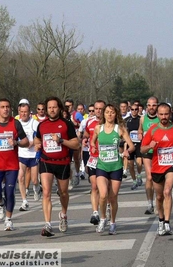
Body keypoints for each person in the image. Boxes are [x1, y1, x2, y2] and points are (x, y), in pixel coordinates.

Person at [34, 96, 79, 237]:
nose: (52, 110)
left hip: (63, 162)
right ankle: (47, 224)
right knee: (46, 192)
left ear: (59, 108)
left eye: (54, 107)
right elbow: (37, 138)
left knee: (63, 193)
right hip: (46, 161)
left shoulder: (66, 124)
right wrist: (37, 143)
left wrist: (61, 140)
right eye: (49, 107)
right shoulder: (42, 125)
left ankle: (63, 214)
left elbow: (76, 144)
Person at [141, 103, 173, 235]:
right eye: (161, 114)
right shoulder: (153, 130)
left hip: (172, 164)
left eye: (166, 114)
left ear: (170, 113)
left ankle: (167, 222)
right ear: (158, 115)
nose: (164, 117)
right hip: (157, 166)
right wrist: (150, 146)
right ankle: (161, 219)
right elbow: (142, 148)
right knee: (160, 196)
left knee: (167, 191)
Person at [90, 104, 135, 235]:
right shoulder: (98, 128)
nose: (109, 115)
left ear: (116, 115)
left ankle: (113, 223)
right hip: (102, 166)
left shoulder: (119, 129)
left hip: (116, 166)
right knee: (103, 194)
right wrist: (93, 146)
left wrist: (127, 151)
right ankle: (103, 218)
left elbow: (132, 146)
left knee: (113, 197)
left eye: (112, 112)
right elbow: (92, 141)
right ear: (103, 114)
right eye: (107, 112)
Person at [0, 98, 29, 231]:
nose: (5, 109)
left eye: (7, 107)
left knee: (10, 192)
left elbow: (26, 142)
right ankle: (0, 203)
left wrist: (16, 143)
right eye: (2, 107)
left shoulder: (15, 123)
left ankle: (8, 219)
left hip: (12, 165)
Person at [83, 100, 106, 225]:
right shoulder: (90, 122)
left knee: (105, 188)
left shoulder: (110, 123)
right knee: (94, 186)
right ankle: (95, 212)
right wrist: (85, 139)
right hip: (93, 158)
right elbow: (86, 134)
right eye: (96, 108)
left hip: (107, 159)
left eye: (101, 109)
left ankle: (105, 207)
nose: (98, 111)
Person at [17, 101, 41, 211]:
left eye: (25, 112)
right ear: (19, 112)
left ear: (29, 112)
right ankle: (24, 201)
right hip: (21, 155)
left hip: (33, 155)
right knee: (20, 177)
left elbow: (40, 137)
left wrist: (33, 142)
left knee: (35, 180)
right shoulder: (17, 123)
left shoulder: (34, 123)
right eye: (21, 112)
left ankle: (36, 188)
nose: (23, 114)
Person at [138, 96, 159, 215]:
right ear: (147, 106)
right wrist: (140, 134)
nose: (151, 107)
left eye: (154, 105)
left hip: (159, 151)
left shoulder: (161, 117)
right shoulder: (142, 119)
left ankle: (158, 201)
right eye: (149, 105)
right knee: (150, 177)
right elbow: (140, 130)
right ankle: (150, 203)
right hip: (147, 151)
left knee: (158, 178)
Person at [125, 103, 143, 190]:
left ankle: (139, 175)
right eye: (132, 109)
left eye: (136, 109)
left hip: (140, 144)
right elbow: (125, 133)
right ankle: (134, 180)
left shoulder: (141, 119)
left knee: (139, 162)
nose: (134, 111)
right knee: (130, 165)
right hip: (130, 144)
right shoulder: (127, 120)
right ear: (130, 110)